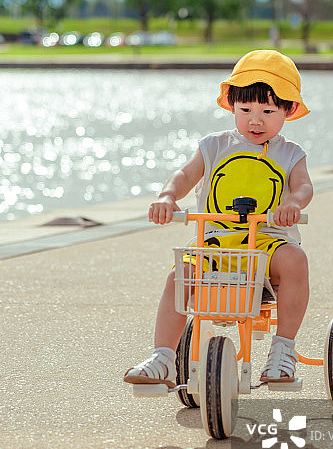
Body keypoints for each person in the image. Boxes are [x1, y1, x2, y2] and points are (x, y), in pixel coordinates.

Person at [124, 49, 313, 387]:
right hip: (214, 242)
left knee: (296, 259)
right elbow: (184, 175)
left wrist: (293, 204)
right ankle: (163, 356)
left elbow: (303, 187)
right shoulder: (214, 146)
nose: (255, 120)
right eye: (245, 110)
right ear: (231, 106)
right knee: (181, 272)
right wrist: (168, 196)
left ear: (289, 109)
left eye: (268, 111)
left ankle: (283, 350)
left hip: (267, 242)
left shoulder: (290, 154)